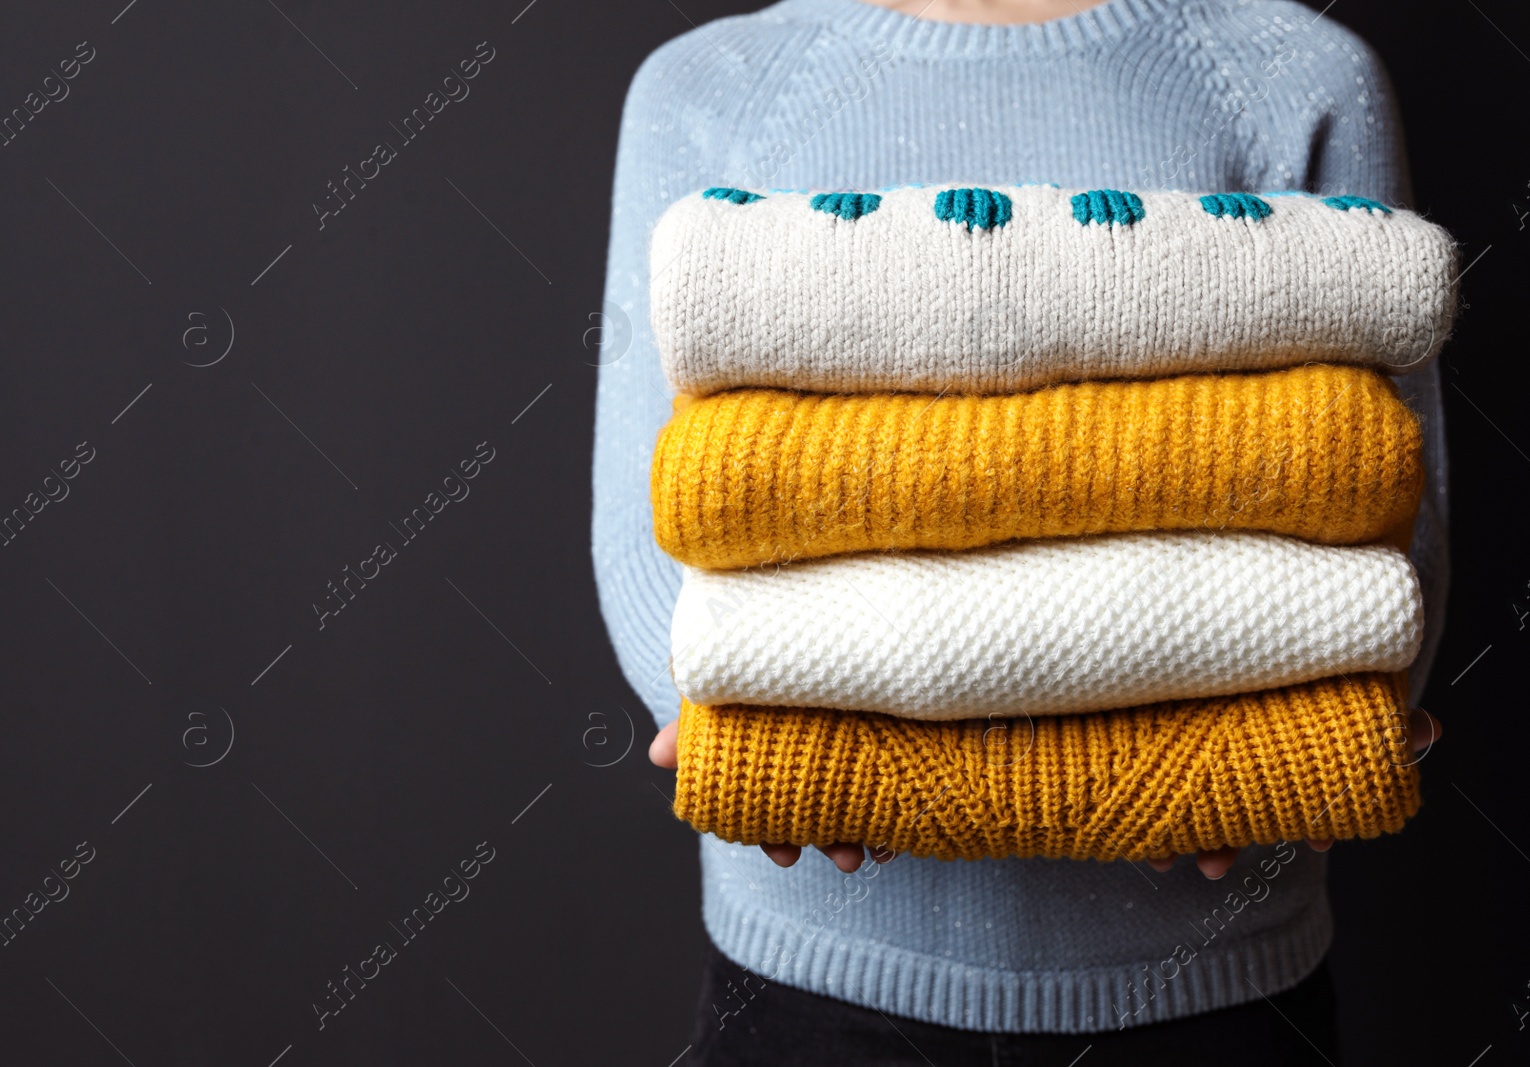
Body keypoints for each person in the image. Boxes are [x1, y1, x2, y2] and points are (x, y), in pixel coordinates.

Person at [591, 0, 1448, 1062]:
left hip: (1211, 993)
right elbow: (658, 532)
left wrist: (1272, 753)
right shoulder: (708, 86)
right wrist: (1217, 750)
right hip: (812, 989)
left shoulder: (1295, 73)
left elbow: (1384, 508)